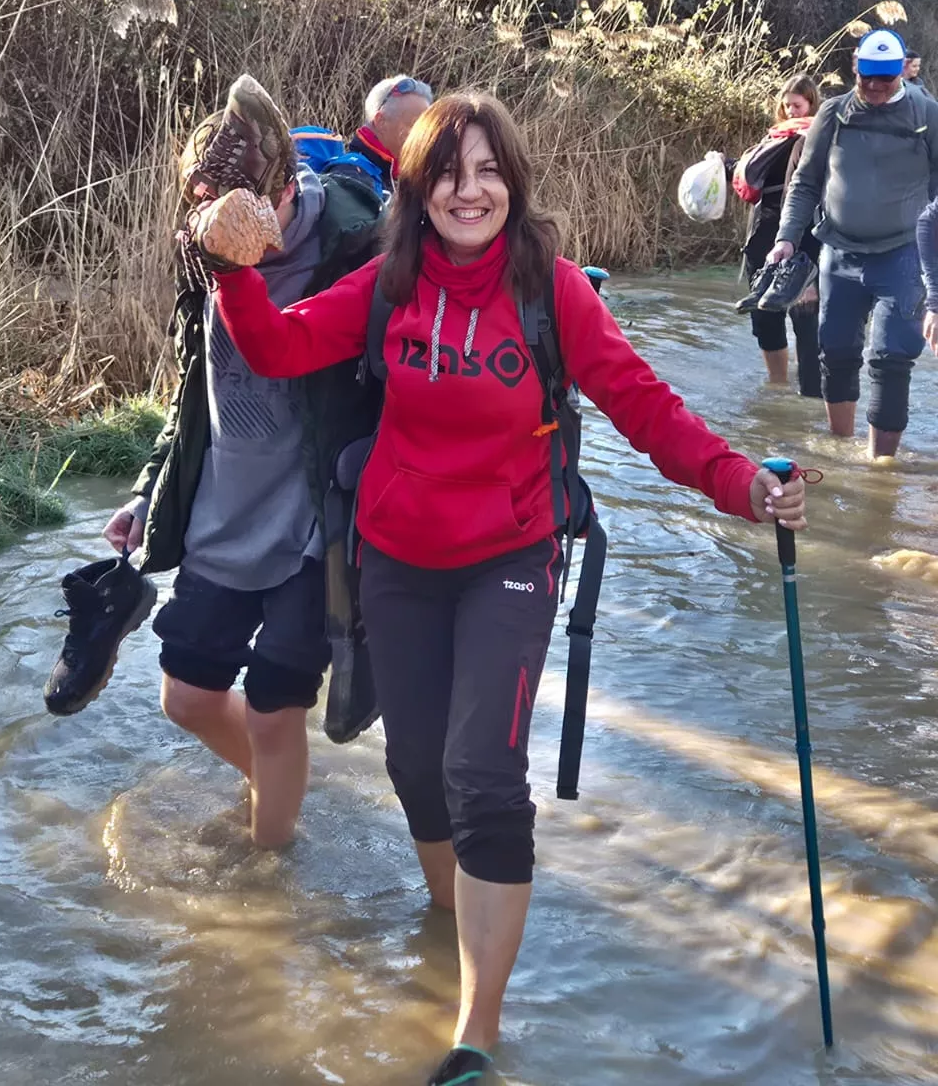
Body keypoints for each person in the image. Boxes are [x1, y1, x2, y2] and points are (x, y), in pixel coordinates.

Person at [191, 91, 806, 1086]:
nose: (468, 189)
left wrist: (743, 483)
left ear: (512, 184)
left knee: (482, 773)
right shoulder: (388, 282)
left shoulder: (552, 291)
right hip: (394, 555)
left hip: (511, 556)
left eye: (487, 171)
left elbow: (645, 407)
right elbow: (279, 346)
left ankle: (474, 1032)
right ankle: (452, 917)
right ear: (418, 188)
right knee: (416, 771)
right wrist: (233, 269)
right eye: (447, 172)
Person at [60, 77, 381, 848]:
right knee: (187, 697)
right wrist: (149, 494)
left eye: (244, 206)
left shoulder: (355, 247)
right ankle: (277, 784)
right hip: (222, 510)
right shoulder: (198, 255)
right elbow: (190, 399)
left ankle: (272, 859)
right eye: (208, 211)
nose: (228, 228)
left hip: (314, 523)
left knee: (276, 707)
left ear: (281, 189)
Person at [769, 29, 938, 459]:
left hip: (903, 255)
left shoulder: (927, 115)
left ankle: (880, 469)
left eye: (886, 78)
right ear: (854, 69)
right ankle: (841, 449)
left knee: (889, 357)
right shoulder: (833, 114)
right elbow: (806, 182)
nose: (877, 87)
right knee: (837, 350)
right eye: (868, 78)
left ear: (902, 70)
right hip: (840, 253)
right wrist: (787, 238)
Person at [733, 75, 821, 395]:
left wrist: (814, 266)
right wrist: (722, 164)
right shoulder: (773, 140)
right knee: (765, 322)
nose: (790, 111)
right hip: (763, 239)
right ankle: (777, 391)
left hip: (805, 243)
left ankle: (811, 397)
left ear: (812, 104)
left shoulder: (822, 140)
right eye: (785, 106)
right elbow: (749, 175)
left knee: (807, 324)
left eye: (797, 105)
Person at [348, 74, 434, 192]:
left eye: (427, 127)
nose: (425, 135)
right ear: (381, 121)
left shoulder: (405, 177)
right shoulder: (351, 176)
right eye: (415, 125)